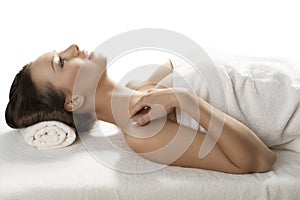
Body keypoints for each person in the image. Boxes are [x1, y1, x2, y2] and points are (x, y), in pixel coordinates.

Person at [5, 44, 276, 174]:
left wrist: (157, 87)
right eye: (60, 62)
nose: (72, 47)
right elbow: (258, 160)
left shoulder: (138, 86)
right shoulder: (142, 133)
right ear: (73, 102)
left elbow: (186, 63)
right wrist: (184, 100)